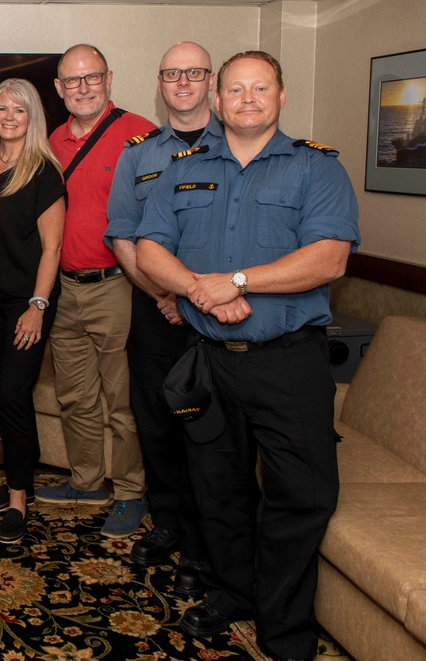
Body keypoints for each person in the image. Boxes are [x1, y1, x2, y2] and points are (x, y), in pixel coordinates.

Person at [137, 50, 359, 661]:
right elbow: (150, 247)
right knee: (218, 490)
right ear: (216, 99)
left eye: (260, 88)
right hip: (212, 360)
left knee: (299, 494)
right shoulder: (183, 169)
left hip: (289, 362)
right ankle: (232, 593)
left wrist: (235, 281)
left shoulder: (316, 169)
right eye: (235, 90)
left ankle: (286, 629)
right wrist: (194, 287)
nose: (247, 99)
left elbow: (329, 259)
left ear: (281, 96)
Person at [104, 41, 223, 593]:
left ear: (210, 80)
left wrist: (196, 296)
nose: (182, 83)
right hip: (156, 311)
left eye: (192, 73)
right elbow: (123, 235)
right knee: (156, 421)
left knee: (212, 430)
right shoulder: (140, 153)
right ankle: (170, 524)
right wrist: (164, 294)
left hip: (222, 314)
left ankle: (210, 540)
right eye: (172, 74)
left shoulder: (239, 144)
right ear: (160, 82)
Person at [40, 44, 155, 540]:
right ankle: (88, 482)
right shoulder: (52, 141)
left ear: (109, 79)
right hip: (64, 289)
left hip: (118, 287)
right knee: (76, 397)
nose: (82, 88)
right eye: (72, 80)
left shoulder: (141, 134)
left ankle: (131, 491)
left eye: (91, 78)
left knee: (123, 399)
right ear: (58, 88)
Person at [0, 79, 66, 544]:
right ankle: (18, 479)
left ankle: (17, 502)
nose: (8, 116)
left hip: (28, 302)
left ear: (33, 118)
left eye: (19, 110)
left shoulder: (45, 172)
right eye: (1, 108)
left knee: (12, 393)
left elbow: (52, 249)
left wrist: (38, 306)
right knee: (2, 393)